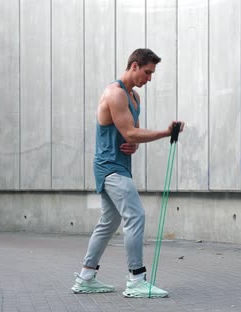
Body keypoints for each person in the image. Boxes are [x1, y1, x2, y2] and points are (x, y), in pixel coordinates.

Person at [71, 48, 184, 298]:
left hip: (120, 166)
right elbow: (131, 132)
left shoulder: (135, 98)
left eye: (152, 73)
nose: (150, 78)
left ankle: (85, 277)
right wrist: (165, 133)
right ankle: (136, 279)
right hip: (110, 167)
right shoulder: (115, 93)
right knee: (135, 215)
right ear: (134, 66)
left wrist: (133, 144)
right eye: (147, 72)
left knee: (109, 222)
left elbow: (133, 134)